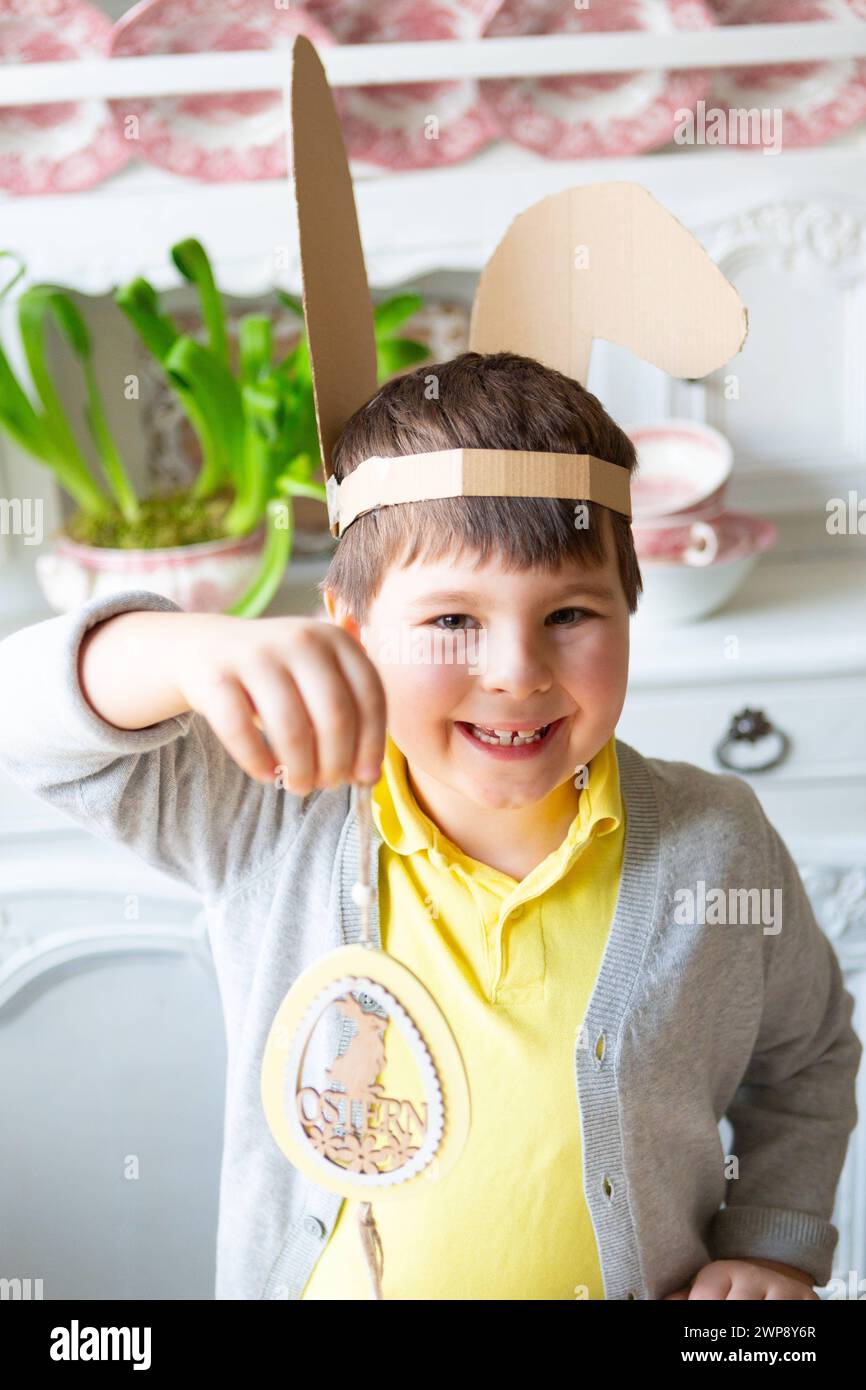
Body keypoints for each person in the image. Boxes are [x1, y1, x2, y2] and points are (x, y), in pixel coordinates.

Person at [0, 351, 859, 1300]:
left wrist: (771, 1244)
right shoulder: (268, 806)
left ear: (631, 609)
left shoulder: (719, 842)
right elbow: (23, 726)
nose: (516, 672)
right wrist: (179, 646)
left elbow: (809, 1059)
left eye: (570, 612)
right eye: (451, 619)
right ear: (350, 625)